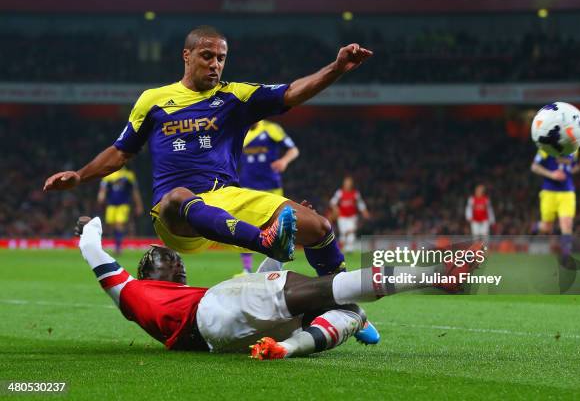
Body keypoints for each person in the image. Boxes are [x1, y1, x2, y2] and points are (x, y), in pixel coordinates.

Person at [44, 25, 373, 278]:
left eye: (221, 58)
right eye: (207, 56)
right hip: (176, 215)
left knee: (318, 227)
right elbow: (121, 151)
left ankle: (341, 301)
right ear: (186, 56)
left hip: (228, 198)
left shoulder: (236, 97)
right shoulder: (153, 100)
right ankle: (265, 241)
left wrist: (336, 68)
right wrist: (80, 176)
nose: (215, 64)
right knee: (178, 196)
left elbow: (290, 93)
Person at [76, 216, 478, 359]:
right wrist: (89, 224)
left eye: (178, 262)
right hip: (215, 312)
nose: (177, 266)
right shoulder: (133, 293)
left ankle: (290, 344)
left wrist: (279, 256)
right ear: (150, 275)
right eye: (170, 263)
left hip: (221, 338)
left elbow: (257, 296)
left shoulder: (168, 299)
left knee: (342, 308)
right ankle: (436, 275)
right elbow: (94, 251)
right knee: (332, 290)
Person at [237, 119, 299, 274]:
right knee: (243, 226)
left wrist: (284, 161)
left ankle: (277, 267)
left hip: (272, 186)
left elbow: (293, 150)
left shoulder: (271, 129)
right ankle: (246, 269)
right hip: (247, 187)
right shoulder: (239, 130)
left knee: (279, 227)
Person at [531, 149, 580, 261]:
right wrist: (551, 174)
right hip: (549, 192)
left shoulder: (574, 148)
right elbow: (534, 166)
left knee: (567, 224)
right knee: (547, 227)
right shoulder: (546, 147)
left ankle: (566, 256)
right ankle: (536, 226)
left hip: (567, 192)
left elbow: (570, 170)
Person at [97, 166, 144, 254]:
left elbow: (134, 191)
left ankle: (118, 248)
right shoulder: (108, 175)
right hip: (111, 205)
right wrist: (101, 196)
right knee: (111, 225)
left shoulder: (128, 175)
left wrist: (139, 205)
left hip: (123, 205)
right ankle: (116, 244)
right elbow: (103, 189)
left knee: (119, 224)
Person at [329, 176, 370, 253]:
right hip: (342, 217)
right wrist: (336, 209)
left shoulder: (355, 193)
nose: (347, 185)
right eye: (346, 183)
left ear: (351, 184)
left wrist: (364, 211)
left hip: (352, 217)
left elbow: (360, 203)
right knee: (343, 233)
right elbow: (332, 202)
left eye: (349, 183)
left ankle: (349, 250)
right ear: (343, 184)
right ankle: (342, 249)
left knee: (351, 232)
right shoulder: (340, 192)